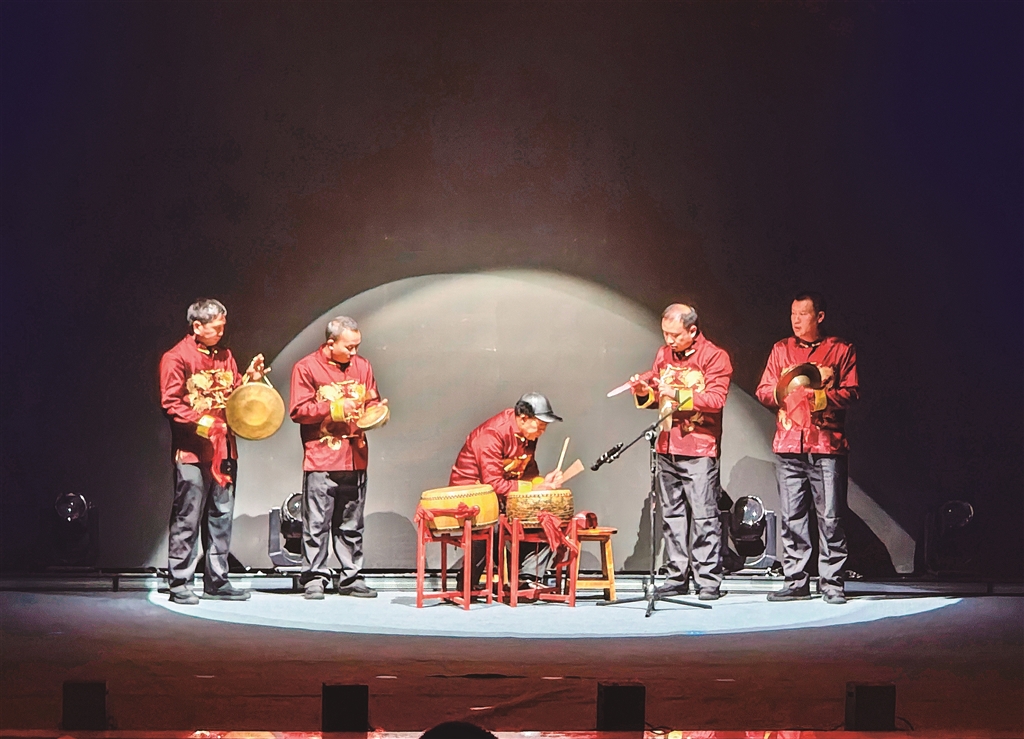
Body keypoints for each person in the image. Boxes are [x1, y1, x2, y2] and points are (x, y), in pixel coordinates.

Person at [159, 298, 268, 605]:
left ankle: (217, 581)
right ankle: (180, 582)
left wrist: (249, 380)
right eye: (216, 327)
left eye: (223, 327)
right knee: (188, 517)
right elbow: (171, 404)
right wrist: (206, 424)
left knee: (221, 517)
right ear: (197, 326)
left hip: (225, 451)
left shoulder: (225, 356)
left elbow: (233, 397)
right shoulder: (176, 357)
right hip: (193, 453)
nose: (221, 332)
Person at [756, 292, 859, 605]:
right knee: (792, 517)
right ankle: (796, 580)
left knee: (831, 517)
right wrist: (786, 391)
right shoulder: (781, 349)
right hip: (789, 445)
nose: (796, 320)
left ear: (820, 317)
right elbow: (763, 390)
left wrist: (819, 396)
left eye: (803, 314)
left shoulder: (841, 349)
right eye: (793, 314)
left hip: (826, 445)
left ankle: (832, 582)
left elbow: (852, 392)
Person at [629, 303, 732, 601]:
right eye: (665, 334)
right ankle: (676, 575)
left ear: (693, 330)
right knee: (672, 515)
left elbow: (715, 400)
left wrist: (673, 393)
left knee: (704, 515)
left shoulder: (714, 356)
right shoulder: (663, 355)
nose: (669, 340)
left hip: (699, 446)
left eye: (675, 335)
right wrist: (644, 392)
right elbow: (657, 398)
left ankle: (708, 579)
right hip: (667, 444)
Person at [289, 316, 387, 600]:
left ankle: (350, 577)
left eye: (357, 346)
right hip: (322, 457)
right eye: (349, 347)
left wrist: (377, 411)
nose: (354, 353)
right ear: (330, 343)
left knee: (352, 524)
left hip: (355, 456)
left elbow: (371, 400)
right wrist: (335, 408)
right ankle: (314, 577)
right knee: (316, 523)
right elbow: (298, 410)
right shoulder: (307, 367)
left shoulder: (363, 366)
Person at [449, 392, 565, 588]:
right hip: (472, 497)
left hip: (503, 498)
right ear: (523, 418)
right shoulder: (492, 434)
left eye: (545, 427)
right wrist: (532, 487)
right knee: (491, 523)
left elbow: (528, 472)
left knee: (547, 519)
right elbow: (493, 483)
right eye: (540, 425)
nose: (542, 431)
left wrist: (544, 483)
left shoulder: (528, 435)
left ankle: (527, 577)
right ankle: (468, 580)